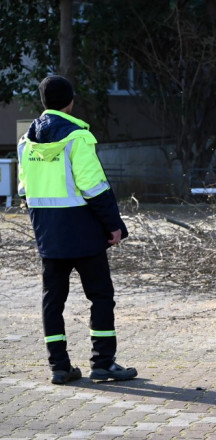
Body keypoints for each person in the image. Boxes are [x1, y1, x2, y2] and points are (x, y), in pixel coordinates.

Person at [17, 75, 138, 384]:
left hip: (48, 235)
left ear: (44, 102)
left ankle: (59, 367)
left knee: (52, 301)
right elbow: (95, 188)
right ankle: (103, 363)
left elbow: (23, 192)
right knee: (100, 296)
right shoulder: (77, 137)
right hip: (83, 233)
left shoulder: (25, 141)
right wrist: (114, 226)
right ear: (70, 102)